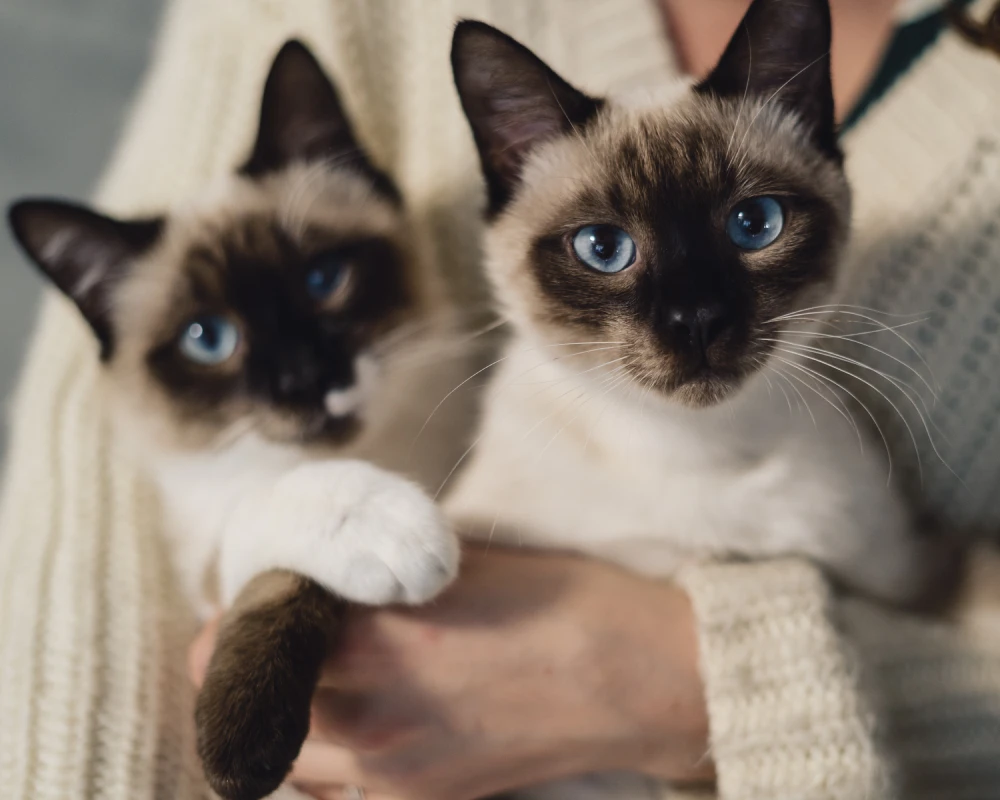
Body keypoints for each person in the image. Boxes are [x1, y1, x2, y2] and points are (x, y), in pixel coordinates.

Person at [2, 1, 1000, 799]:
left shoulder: (839, 461)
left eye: (754, 222)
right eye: (604, 249)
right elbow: (84, 539)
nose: (693, 314)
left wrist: (700, 687)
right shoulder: (493, 461)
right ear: (510, 180)